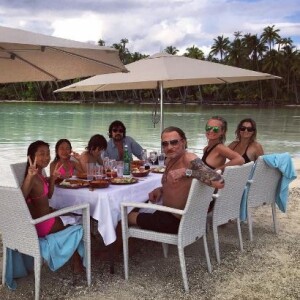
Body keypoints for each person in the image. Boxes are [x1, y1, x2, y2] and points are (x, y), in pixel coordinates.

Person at [127, 126, 224, 234]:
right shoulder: (169, 160)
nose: (169, 147)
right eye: (165, 144)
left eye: (174, 142)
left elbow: (220, 182)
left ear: (183, 142)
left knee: (125, 216)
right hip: (169, 213)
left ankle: (117, 250)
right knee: (134, 208)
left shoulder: (189, 158)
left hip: (177, 221)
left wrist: (186, 172)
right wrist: (161, 190)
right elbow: (181, 186)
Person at [21, 140, 83, 273]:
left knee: (74, 216)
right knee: (80, 222)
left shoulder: (40, 174)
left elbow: (48, 196)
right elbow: (22, 197)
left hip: (45, 218)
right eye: (41, 154)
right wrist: (29, 177)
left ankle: (76, 261)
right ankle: (76, 261)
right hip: (42, 224)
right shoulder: (32, 176)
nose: (46, 157)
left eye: (48, 154)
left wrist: (53, 179)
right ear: (31, 157)